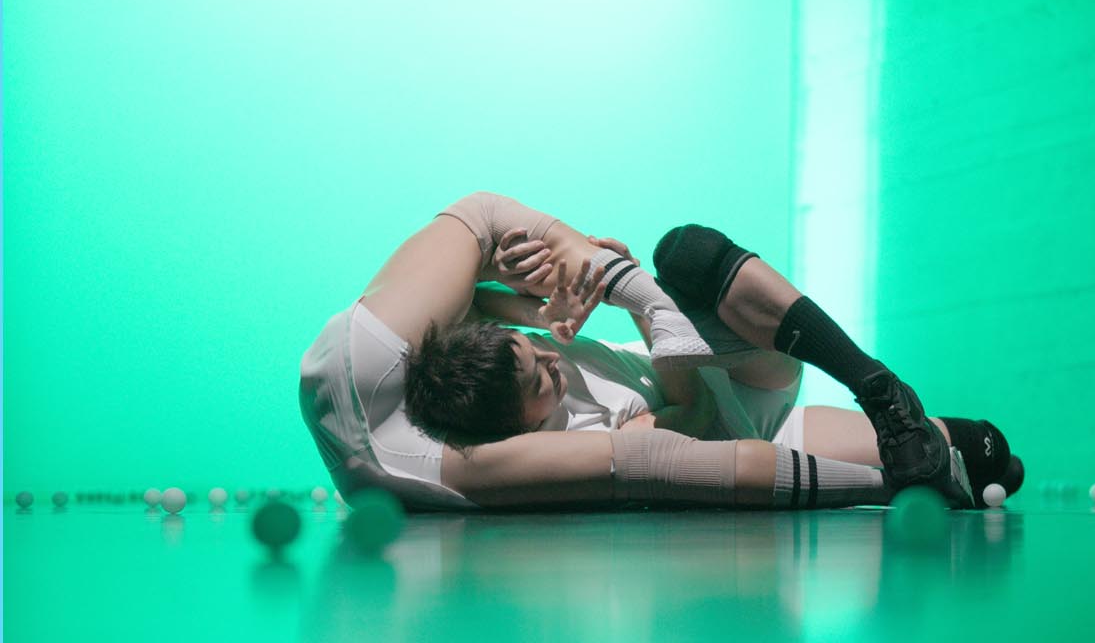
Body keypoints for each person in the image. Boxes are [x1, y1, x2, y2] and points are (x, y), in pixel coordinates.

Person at [299, 191, 1015, 511]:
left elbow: (484, 270)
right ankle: (922, 446)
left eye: (534, 351)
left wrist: (542, 291)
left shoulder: (459, 351)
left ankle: (876, 386)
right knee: (986, 456)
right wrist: (898, 487)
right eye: (543, 382)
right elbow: (693, 434)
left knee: (688, 254)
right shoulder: (553, 448)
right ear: (518, 426)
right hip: (738, 415)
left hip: (735, 361)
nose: (552, 361)